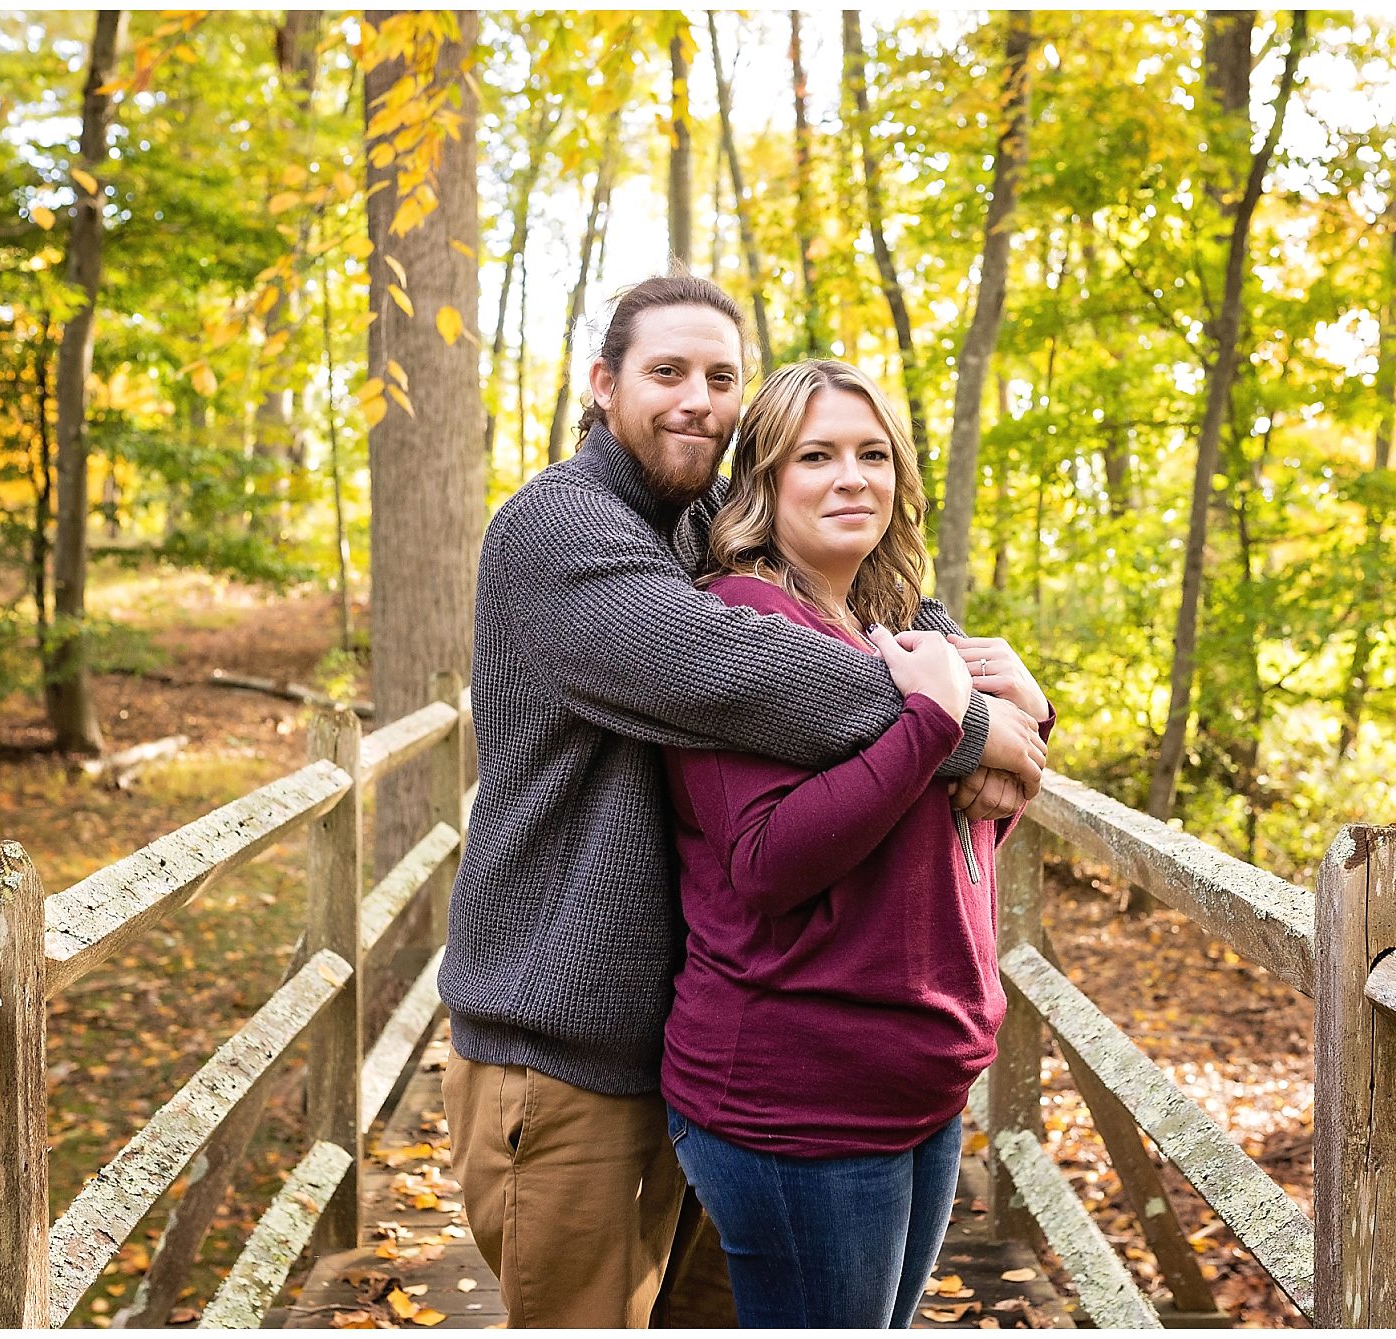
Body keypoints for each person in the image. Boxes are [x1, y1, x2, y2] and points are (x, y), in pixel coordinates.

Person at [438, 274, 1053, 1327]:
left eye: (721, 377)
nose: (698, 400)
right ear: (602, 383)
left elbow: (870, 595)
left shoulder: (699, 519)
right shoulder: (558, 526)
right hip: (564, 1042)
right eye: (666, 371)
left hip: (694, 1036)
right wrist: (962, 723)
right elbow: (736, 671)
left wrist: (1011, 695)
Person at [659, 359, 1052, 1327]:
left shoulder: (889, 629)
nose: (851, 478)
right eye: (816, 456)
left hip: (920, 1082)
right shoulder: (741, 621)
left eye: (873, 455)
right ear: (763, 480)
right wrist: (934, 723)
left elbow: (952, 837)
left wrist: (1028, 723)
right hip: (801, 1095)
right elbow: (765, 863)